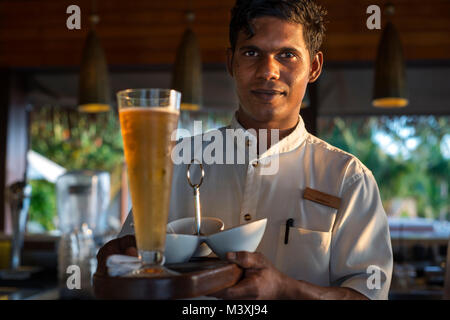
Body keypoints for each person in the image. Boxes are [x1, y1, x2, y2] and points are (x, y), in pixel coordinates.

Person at [97, 0, 393, 300]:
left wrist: (285, 289)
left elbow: (369, 295)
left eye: (287, 55)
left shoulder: (347, 178)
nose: (268, 71)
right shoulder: (175, 162)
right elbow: (127, 276)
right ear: (230, 62)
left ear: (313, 67)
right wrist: (116, 264)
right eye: (251, 52)